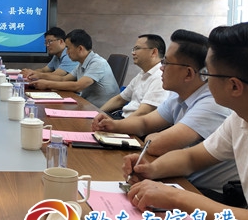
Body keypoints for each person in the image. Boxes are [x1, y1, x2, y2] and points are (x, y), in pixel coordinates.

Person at [124, 22, 248, 220]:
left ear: (234, 86)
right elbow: (191, 157)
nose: (203, 80)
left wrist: (177, 198)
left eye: (208, 74)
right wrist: (151, 169)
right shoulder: (241, 117)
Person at [93, 29, 238, 198]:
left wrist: (152, 139)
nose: (161, 68)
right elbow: (145, 123)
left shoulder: (212, 104)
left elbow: (156, 144)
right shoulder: (179, 95)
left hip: (210, 193)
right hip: (182, 179)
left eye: (166, 63)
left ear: (188, 73)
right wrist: (113, 124)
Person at [30, 29, 120, 107]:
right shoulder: (81, 63)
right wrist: (41, 79)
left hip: (102, 111)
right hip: (87, 105)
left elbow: (78, 86)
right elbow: (63, 79)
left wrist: (47, 84)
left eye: (68, 48)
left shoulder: (98, 63)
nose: (67, 52)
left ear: (80, 48)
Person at [99, 34, 169, 119]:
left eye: (137, 48)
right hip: (122, 119)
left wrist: (116, 124)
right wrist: (97, 113)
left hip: (130, 123)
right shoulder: (142, 74)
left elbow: (143, 112)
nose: (133, 53)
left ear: (153, 52)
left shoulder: (160, 77)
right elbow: (119, 99)